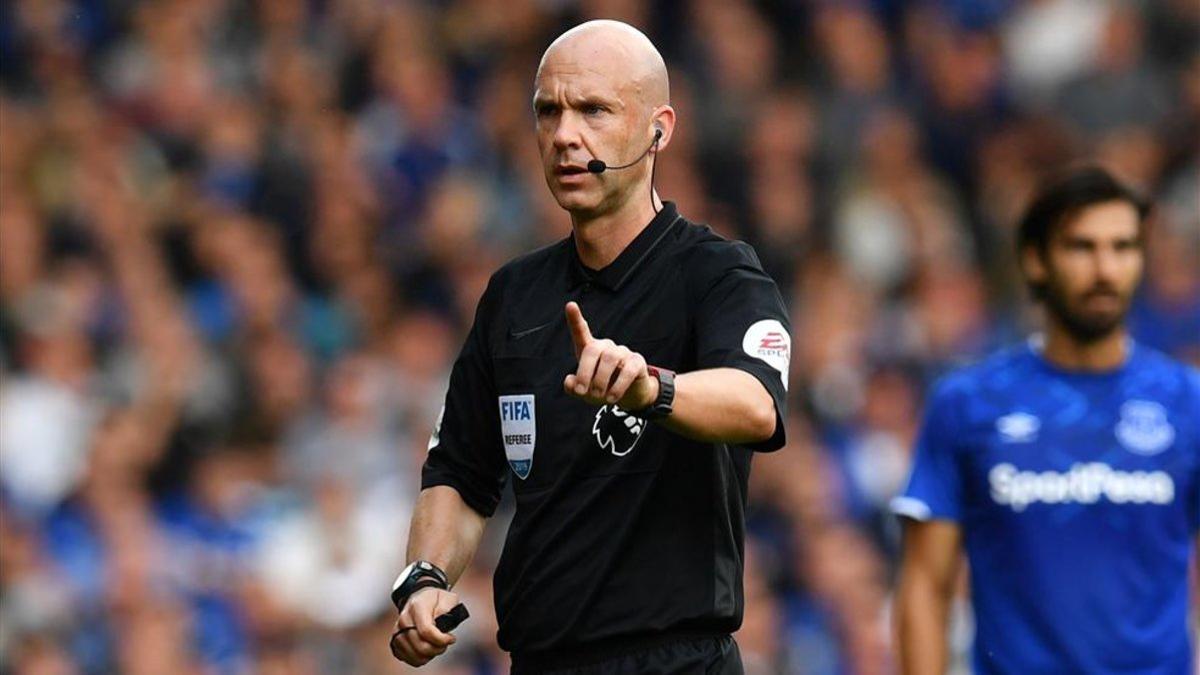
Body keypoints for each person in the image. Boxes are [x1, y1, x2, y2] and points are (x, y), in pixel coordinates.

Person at [387, 20, 792, 673]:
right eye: (549, 111)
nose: (566, 135)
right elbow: (460, 474)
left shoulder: (719, 274)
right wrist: (427, 577)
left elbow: (755, 404)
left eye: (594, 110)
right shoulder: (513, 297)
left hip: (676, 660)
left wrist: (652, 387)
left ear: (659, 128)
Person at [892, 166, 1200, 674]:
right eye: (1082, 247)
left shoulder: (1187, 401)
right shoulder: (968, 403)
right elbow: (925, 584)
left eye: (1123, 247)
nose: (1105, 268)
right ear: (1036, 261)